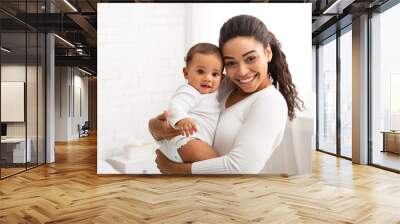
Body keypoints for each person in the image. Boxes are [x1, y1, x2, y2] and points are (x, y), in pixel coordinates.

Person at [149, 15, 304, 174]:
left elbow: (242, 168)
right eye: (231, 63)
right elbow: (182, 109)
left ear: (268, 53)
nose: (242, 72)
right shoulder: (223, 87)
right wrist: (155, 126)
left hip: (229, 195)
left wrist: (173, 169)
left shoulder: (270, 102)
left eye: (250, 58)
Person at [155, 43, 224, 163]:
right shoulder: (189, 91)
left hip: (198, 142)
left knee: (212, 162)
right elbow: (176, 106)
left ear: (221, 78)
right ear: (186, 73)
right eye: (201, 71)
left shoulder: (216, 92)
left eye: (214, 74)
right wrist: (182, 119)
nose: (208, 78)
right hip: (185, 140)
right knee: (216, 161)